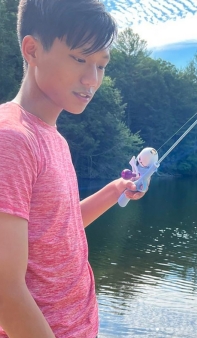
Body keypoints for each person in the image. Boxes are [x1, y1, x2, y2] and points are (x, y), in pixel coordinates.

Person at [0, 0, 145, 337]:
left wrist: (114, 190)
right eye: (80, 59)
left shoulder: (54, 138)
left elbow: (57, 232)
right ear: (32, 50)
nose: (91, 79)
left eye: (101, 65)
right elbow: (5, 290)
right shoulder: (12, 139)